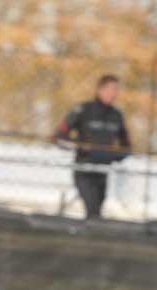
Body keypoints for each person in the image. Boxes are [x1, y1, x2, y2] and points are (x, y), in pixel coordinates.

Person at [56, 74, 131, 219]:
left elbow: (126, 147)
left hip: (103, 171)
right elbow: (59, 137)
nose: (113, 93)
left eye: (116, 90)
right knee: (93, 210)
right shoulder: (83, 110)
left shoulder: (117, 115)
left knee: (97, 210)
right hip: (84, 168)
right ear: (99, 90)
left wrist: (114, 155)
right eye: (109, 89)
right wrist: (82, 148)